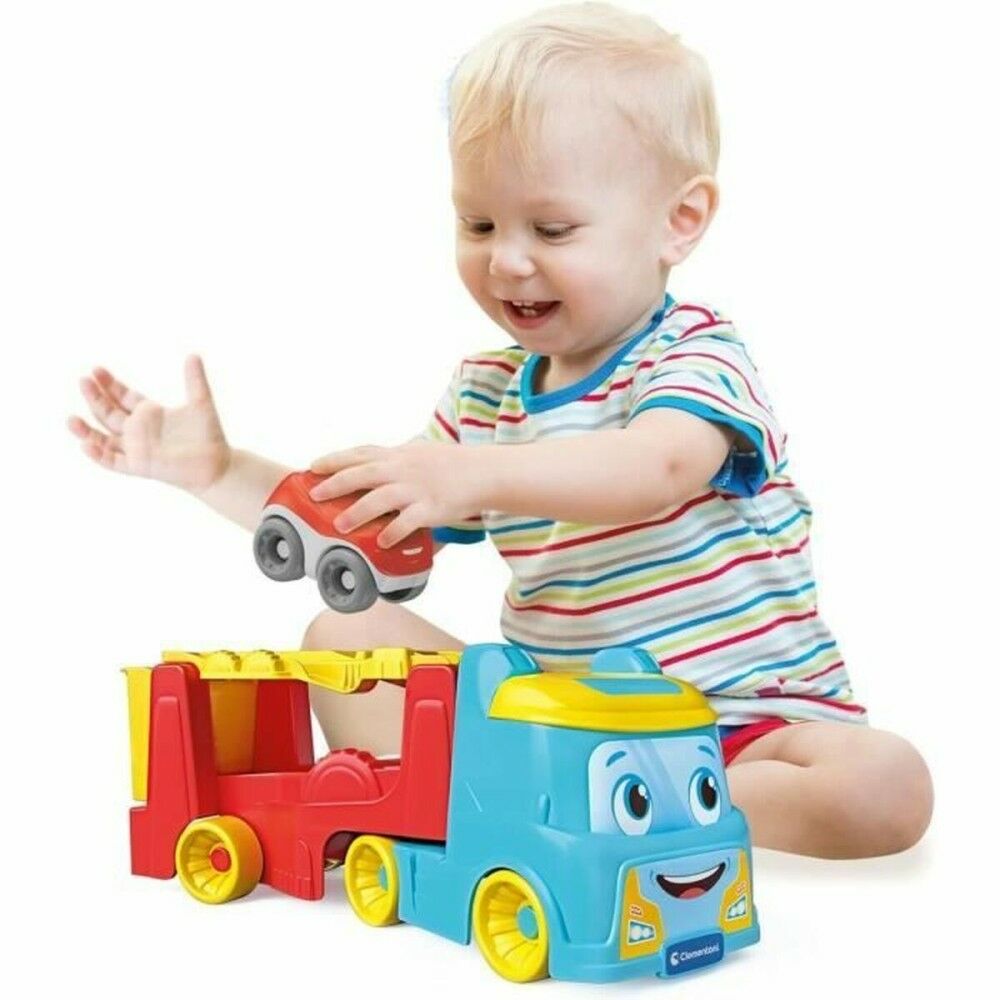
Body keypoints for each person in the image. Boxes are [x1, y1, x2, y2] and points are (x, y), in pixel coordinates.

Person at [68, 2, 932, 859]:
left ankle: (651, 806)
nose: (506, 260)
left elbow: (658, 465)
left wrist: (473, 477)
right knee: (346, 634)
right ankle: (549, 799)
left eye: (552, 229)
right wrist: (217, 471)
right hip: (556, 724)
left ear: (679, 221)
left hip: (744, 725)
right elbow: (353, 521)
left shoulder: (696, 352)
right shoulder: (483, 395)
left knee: (885, 783)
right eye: (477, 223)